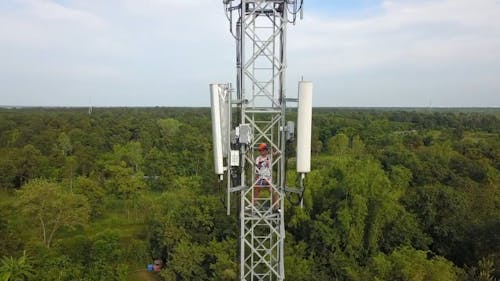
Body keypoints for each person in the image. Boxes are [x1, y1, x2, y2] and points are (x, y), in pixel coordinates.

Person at [252, 143, 279, 212]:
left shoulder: (269, 157)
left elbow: (276, 152)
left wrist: (272, 147)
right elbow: (257, 169)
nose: (261, 152)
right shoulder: (258, 158)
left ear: (266, 150)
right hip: (260, 177)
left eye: (262, 150)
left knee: (272, 191)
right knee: (256, 188)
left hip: (268, 177)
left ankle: (276, 206)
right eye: (260, 150)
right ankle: (253, 204)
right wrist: (256, 179)